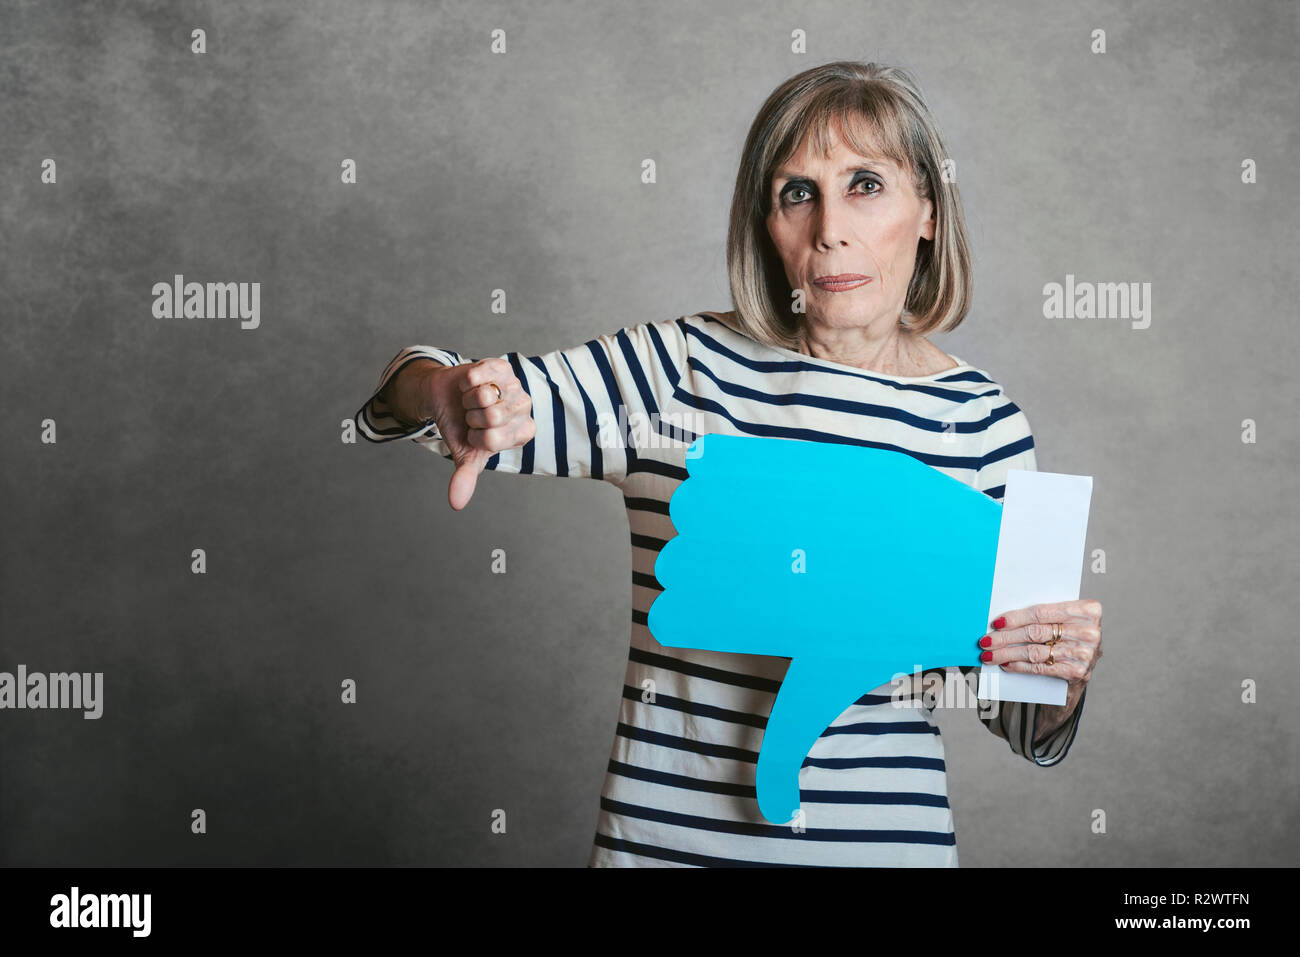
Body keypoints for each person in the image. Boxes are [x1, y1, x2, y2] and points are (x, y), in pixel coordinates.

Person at [355, 60, 1103, 866]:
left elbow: (1020, 716)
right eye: (796, 192)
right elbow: (424, 392)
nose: (830, 229)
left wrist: (1060, 676)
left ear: (926, 207)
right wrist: (440, 393)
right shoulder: (678, 368)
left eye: (865, 185)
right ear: (767, 224)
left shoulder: (983, 423)